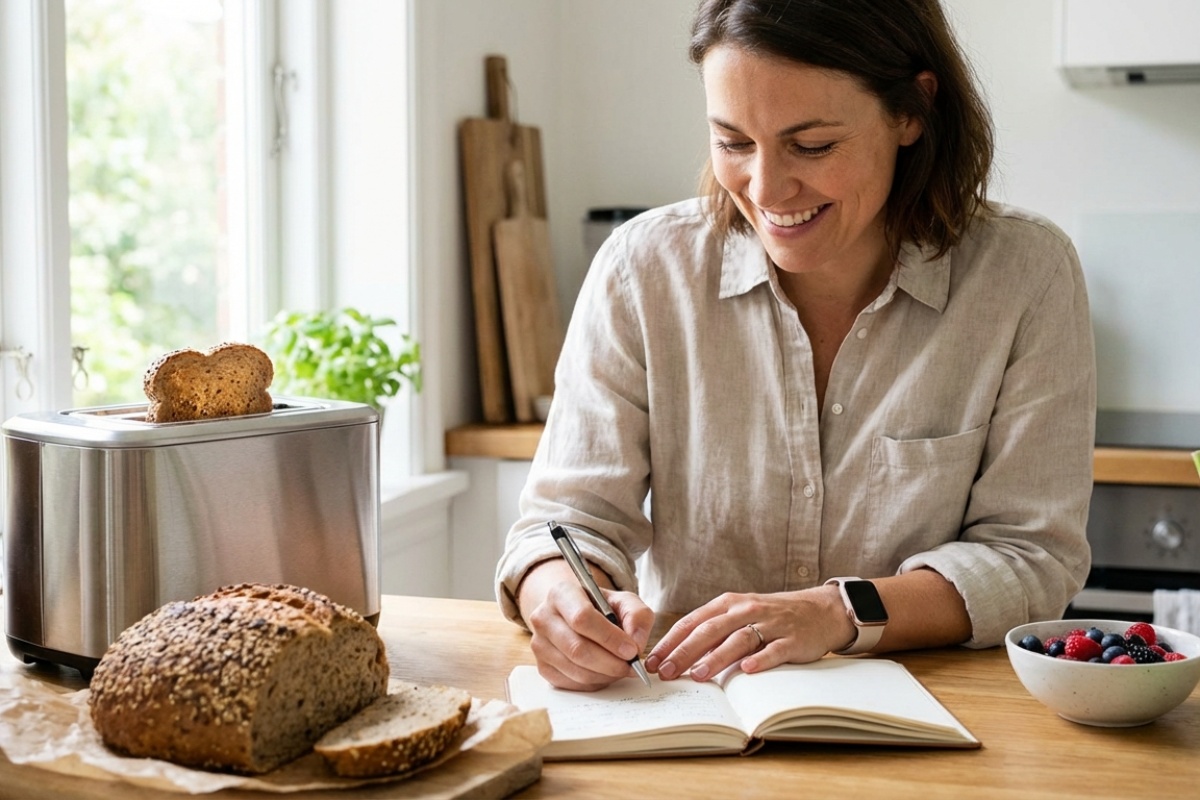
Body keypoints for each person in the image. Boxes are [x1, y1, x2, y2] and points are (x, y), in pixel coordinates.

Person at [495, 0, 1095, 692]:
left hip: (937, 718)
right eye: (732, 142)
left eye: (812, 146)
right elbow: (565, 523)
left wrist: (837, 612)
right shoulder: (641, 269)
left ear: (911, 112)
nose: (767, 188)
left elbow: (1031, 557)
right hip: (691, 712)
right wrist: (561, 598)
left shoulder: (1026, 274)